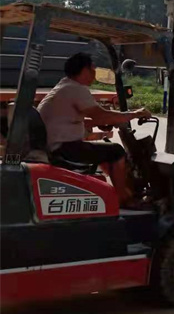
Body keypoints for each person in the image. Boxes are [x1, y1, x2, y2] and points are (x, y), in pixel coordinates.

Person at [37, 52, 151, 206]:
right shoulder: (76, 89)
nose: (94, 73)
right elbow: (102, 116)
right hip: (64, 149)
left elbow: (69, 119)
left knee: (105, 151)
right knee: (116, 151)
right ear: (85, 70)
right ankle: (124, 198)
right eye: (92, 69)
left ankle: (117, 189)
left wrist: (97, 122)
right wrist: (135, 114)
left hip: (55, 146)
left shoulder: (64, 86)